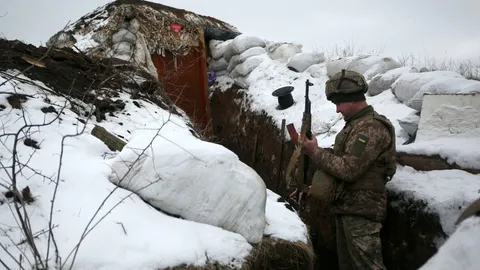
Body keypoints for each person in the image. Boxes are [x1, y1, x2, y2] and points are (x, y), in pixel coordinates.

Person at [302, 69, 397, 270]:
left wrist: (315, 153)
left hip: (361, 213)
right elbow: (344, 159)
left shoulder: (370, 128)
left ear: (352, 99)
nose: (337, 110)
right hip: (348, 208)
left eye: (338, 103)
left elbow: (348, 169)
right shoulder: (355, 125)